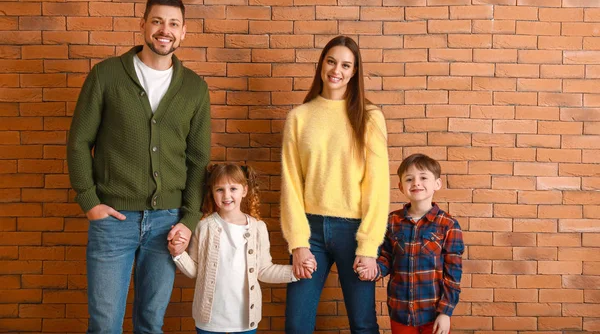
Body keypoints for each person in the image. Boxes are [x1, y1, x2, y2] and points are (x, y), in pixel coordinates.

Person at [67, 0, 211, 334]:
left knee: (151, 323)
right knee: (104, 325)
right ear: (143, 25)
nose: (165, 30)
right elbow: (78, 142)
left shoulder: (195, 88)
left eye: (174, 23)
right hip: (113, 219)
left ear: (184, 31)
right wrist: (90, 202)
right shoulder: (106, 76)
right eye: (158, 21)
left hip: (167, 225)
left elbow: (198, 159)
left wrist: (189, 218)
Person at [280, 35, 390, 333]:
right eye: (331, 61)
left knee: (363, 324)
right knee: (296, 324)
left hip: (353, 231)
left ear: (354, 72)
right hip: (310, 231)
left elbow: (377, 187)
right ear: (321, 65)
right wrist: (298, 243)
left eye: (345, 65)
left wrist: (368, 246)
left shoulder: (369, 117)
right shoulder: (299, 117)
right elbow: (291, 184)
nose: (336, 70)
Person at [169, 164, 316, 334]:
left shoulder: (258, 228)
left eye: (233, 188)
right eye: (220, 190)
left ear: (244, 190)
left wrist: (295, 272)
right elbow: (195, 270)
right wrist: (178, 253)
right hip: (209, 321)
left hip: (245, 321)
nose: (226, 195)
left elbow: (264, 270)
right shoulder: (204, 227)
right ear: (212, 192)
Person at [362, 154, 464, 334]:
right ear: (401, 186)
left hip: (434, 315)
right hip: (400, 312)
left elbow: (453, 275)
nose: (416, 183)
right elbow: (386, 258)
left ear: (437, 184)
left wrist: (445, 313)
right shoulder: (392, 221)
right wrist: (373, 270)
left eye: (423, 178)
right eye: (409, 179)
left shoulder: (448, 225)